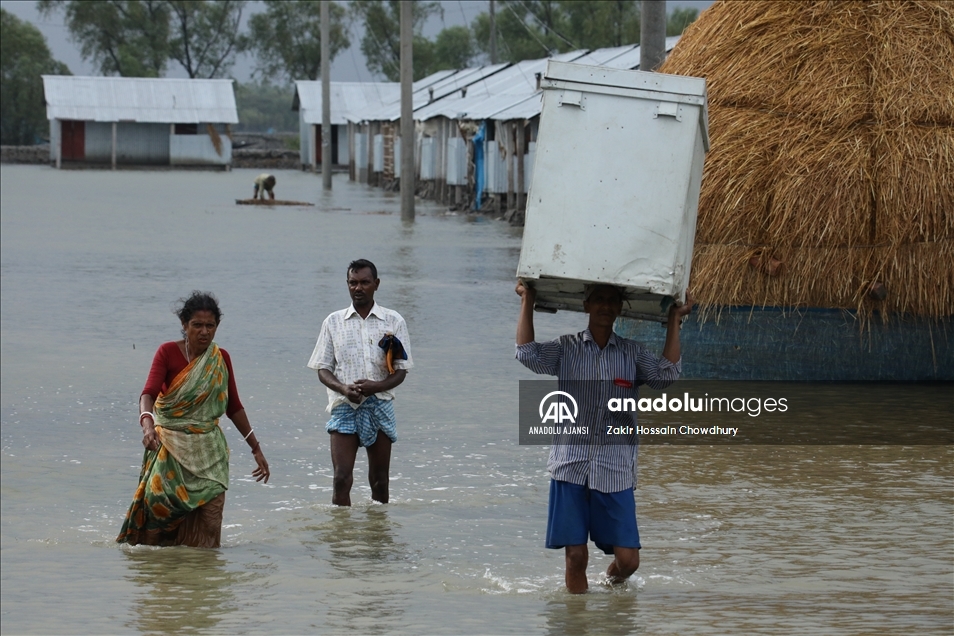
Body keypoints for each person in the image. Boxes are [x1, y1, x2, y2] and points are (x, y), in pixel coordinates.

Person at [515, 281, 693, 593]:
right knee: (575, 557)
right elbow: (526, 353)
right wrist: (527, 299)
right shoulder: (566, 348)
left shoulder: (632, 353)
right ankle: (580, 621)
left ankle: (609, 585)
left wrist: (674, 319)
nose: (605, 306)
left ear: (620, 308)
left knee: (629, 561)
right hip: (571, 464)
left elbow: (665, 376)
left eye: (612, 301)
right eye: (598, 300)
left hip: (616, 469)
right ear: (586, 305)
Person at [117, 292, 270, 548]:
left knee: (210, 522)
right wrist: (148, 425)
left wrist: (256, 448)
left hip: (209, 452)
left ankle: (205, 576)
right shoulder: (167, 352)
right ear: (185, 325)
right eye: (197, 325)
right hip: (169, 446)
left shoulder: (221, 358)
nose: (204, 332)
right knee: (157, 509)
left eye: (210, 326)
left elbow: (234, 407)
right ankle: (162, 576)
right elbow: (148, 393)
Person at [307, 259, 413, 506]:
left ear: (376, 284)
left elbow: (401, 371)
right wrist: (343, 388)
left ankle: (376, 538)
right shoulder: (333, 322)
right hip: (345, 405)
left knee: (380, 480)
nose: (359, 288)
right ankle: (342, 539)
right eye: (353, 283)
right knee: (341, 478)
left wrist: (376, 387)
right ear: (347, 284)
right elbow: (323, 369)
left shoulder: (393, 321)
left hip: (380, 405)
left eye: (365, 282)